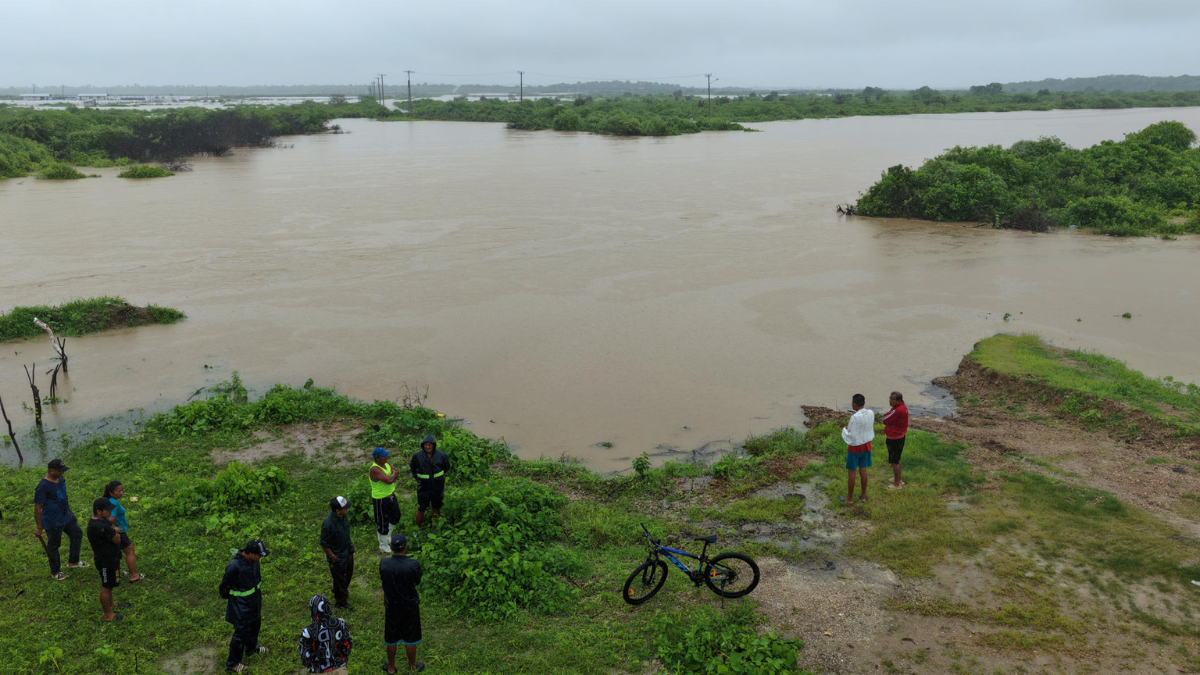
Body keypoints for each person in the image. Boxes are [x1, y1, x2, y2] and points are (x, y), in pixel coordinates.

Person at [220, 539, 271, 673]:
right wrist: (235, 600)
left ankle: (251, 649)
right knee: (240, 634)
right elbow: (224, 587)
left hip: (254, 602)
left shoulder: (254, 562)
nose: (260, 558)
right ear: (251, 554)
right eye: (259, 555)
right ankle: (233, 664)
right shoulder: (234, 566)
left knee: (255, 625)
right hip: (240, 607)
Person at [33, 458, 87, 580]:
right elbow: (37, 508)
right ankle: (56, 571)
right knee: (54, 545)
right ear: (51, 471)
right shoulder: (43, 486)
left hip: (66, 515)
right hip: (53, 520)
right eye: (60, 470)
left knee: (77, 534)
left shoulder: (60, 479)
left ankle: (73, 561)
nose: (62, 473)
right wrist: (39, 527)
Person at [380, 534, 424, 673]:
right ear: (406, 547)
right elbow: (417, 581)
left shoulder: (384, 563)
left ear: (391, 547)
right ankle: (412, 666)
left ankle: (391, 667)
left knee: (391, 638)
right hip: (409, 606)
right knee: (410, 638)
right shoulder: (413, 564)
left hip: (392, 606)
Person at [87, 498, 127, 621]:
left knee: (110, 583)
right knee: (106, 586)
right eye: (108, 509)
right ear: (99, 511)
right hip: (105, 560)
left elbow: (114, 529)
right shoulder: (99, 526)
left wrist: (114, 530)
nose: (111, 511)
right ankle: (108, 615)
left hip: (111, 558)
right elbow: (117, 539)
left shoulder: (102, 522)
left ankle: (112, 604)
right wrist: (115, 532)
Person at [298, 593, 353, 674]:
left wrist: (311, 666)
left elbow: (305, 655)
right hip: (340, 668)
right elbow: (348, 644)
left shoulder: (308, 632)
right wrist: (343, 659)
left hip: (319, 671)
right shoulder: (340, 623)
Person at [104, 481, 146, 582]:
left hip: (108, 532)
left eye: (122, 490)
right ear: (111, 492)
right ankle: (134, 576)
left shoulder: (106, 501)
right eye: (119, 491)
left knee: (114, 553)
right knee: (130, 551)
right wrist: (115, 529)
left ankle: (116, 573)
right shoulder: (113, 502)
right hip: (118, 532)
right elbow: (111, 518)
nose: (122, 492)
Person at [321, 496, 355, 610]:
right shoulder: (328, 523)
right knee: (340, 578)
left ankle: (338, 589)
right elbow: (324, 543)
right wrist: (332, 556)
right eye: (344, 508)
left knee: (348, 575)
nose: (347, 509)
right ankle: (341, 602)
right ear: (338, 510)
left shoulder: (343, 516)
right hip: (337, 556)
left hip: (347, 550)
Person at [840, 393, 875, 504]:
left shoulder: (854, 417)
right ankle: (863, 497)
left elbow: (851, 433)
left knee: (852, 472)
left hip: (855, 447)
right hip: (866, 444)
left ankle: (849, 498)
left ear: (854, 404)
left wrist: (844, 430)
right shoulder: (870, 413)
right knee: (863, 470)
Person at [410, 435, 449, 527]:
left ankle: (434, 528)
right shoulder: (417, 456)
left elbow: (446, 468)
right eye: (426, 445)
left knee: (436, 507)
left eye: (430, 444)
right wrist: (420, 479)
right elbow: (413, 469)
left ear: (433, 445)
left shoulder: (441, 456)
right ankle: (417, 530)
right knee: (421, 508)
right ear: (423, 445)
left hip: (437, 487)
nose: (428, 447)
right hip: (423, 487)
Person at [369, 447, 403, 554]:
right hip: (380, 499)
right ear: (377, 458)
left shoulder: (386, 462)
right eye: (384, 456)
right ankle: (383, 545)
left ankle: (387, 536)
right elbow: (389, 480)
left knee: (396, 516)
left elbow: (396, 471)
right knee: (382, 521)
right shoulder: (375, 469)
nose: (386, 457)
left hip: (391, 496)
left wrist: (393, 475)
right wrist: (393, 475)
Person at [881, 391, 910, 490]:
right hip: (900, 436)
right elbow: (888, 417)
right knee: (897, 459)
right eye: (890, 398)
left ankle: (896, 484)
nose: (890, 401)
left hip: (894, 438)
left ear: (898, 400)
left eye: (893, 399)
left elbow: (885, 419)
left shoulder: (897, 410)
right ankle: (899, 479)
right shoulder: (902, 407)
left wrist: (889, 418)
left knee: (895, 461)